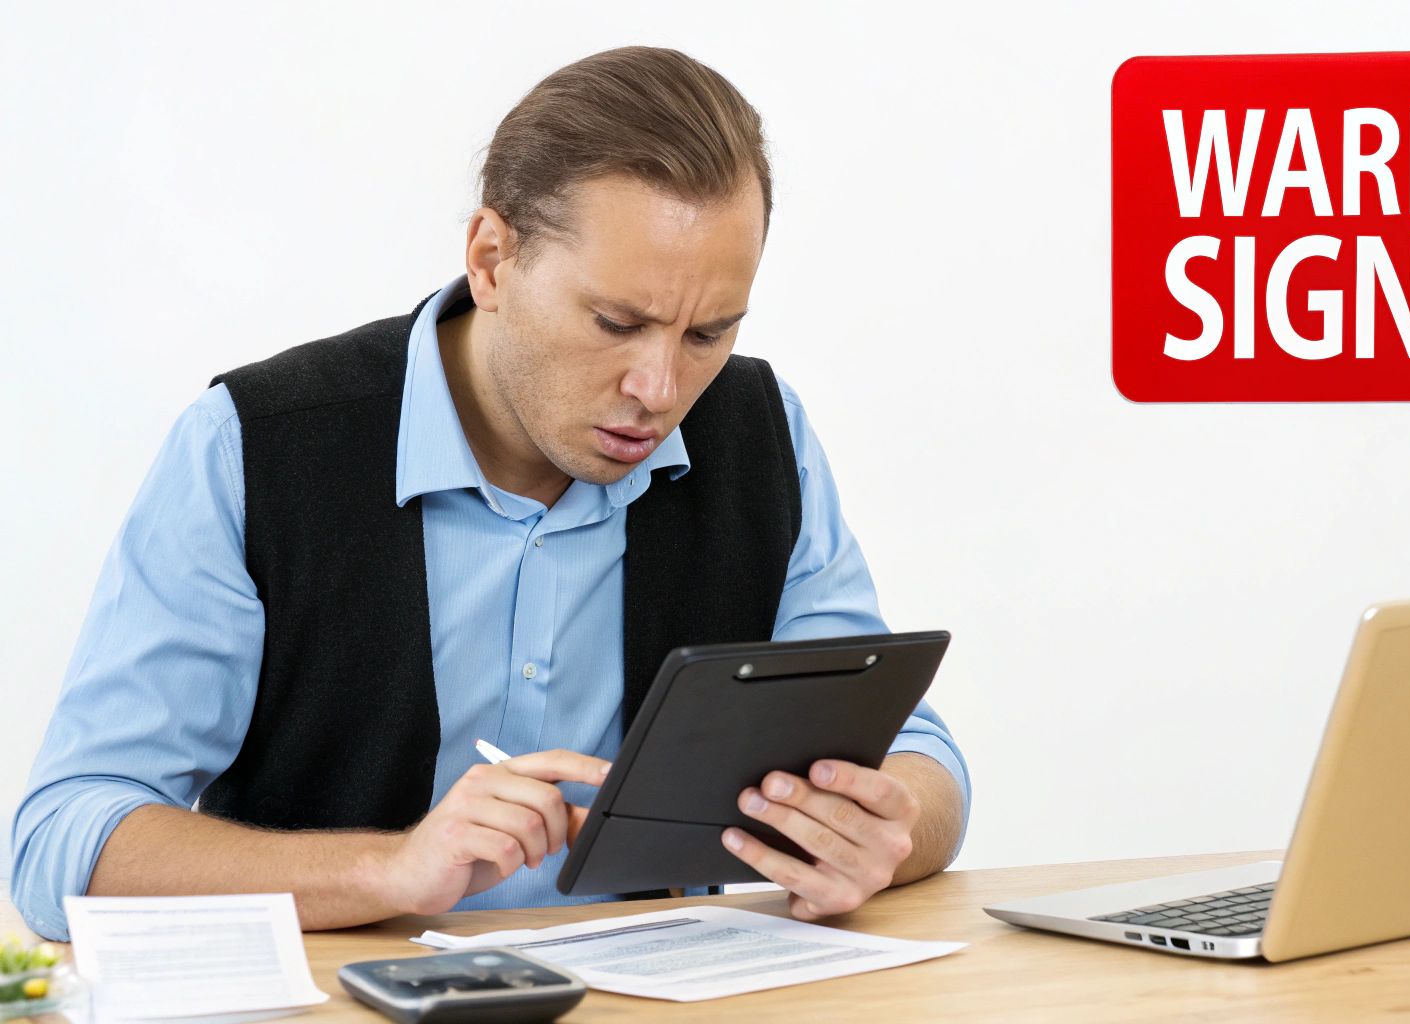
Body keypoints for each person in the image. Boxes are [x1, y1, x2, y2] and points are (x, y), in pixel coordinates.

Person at [10, 46, 969, 941]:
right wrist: (389, 870)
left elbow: (915, 754)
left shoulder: (763, 436)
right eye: (615, 322)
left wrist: (889, 827)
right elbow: (63, 843)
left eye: (708, 334)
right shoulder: (252, 448)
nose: (661, 390)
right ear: (490, 259)